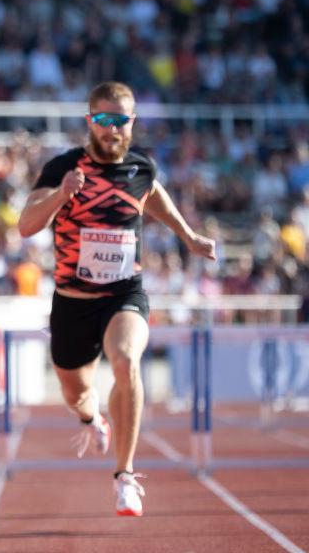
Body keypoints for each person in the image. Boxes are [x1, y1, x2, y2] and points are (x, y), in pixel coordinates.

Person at [18, 81, 216, 516]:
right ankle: (91, 419)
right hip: (72, 301)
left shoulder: (141, 168)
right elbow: (26, 225)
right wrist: (61, 194)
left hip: (124, 294)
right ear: (90, 120)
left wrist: (188, 235)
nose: (112, 129)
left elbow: (154, 197)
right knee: (76, 393)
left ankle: (125, 475)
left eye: (120, 120)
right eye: (104, 119)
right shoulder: (62, 168)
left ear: (132, 123)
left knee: (126, 362)